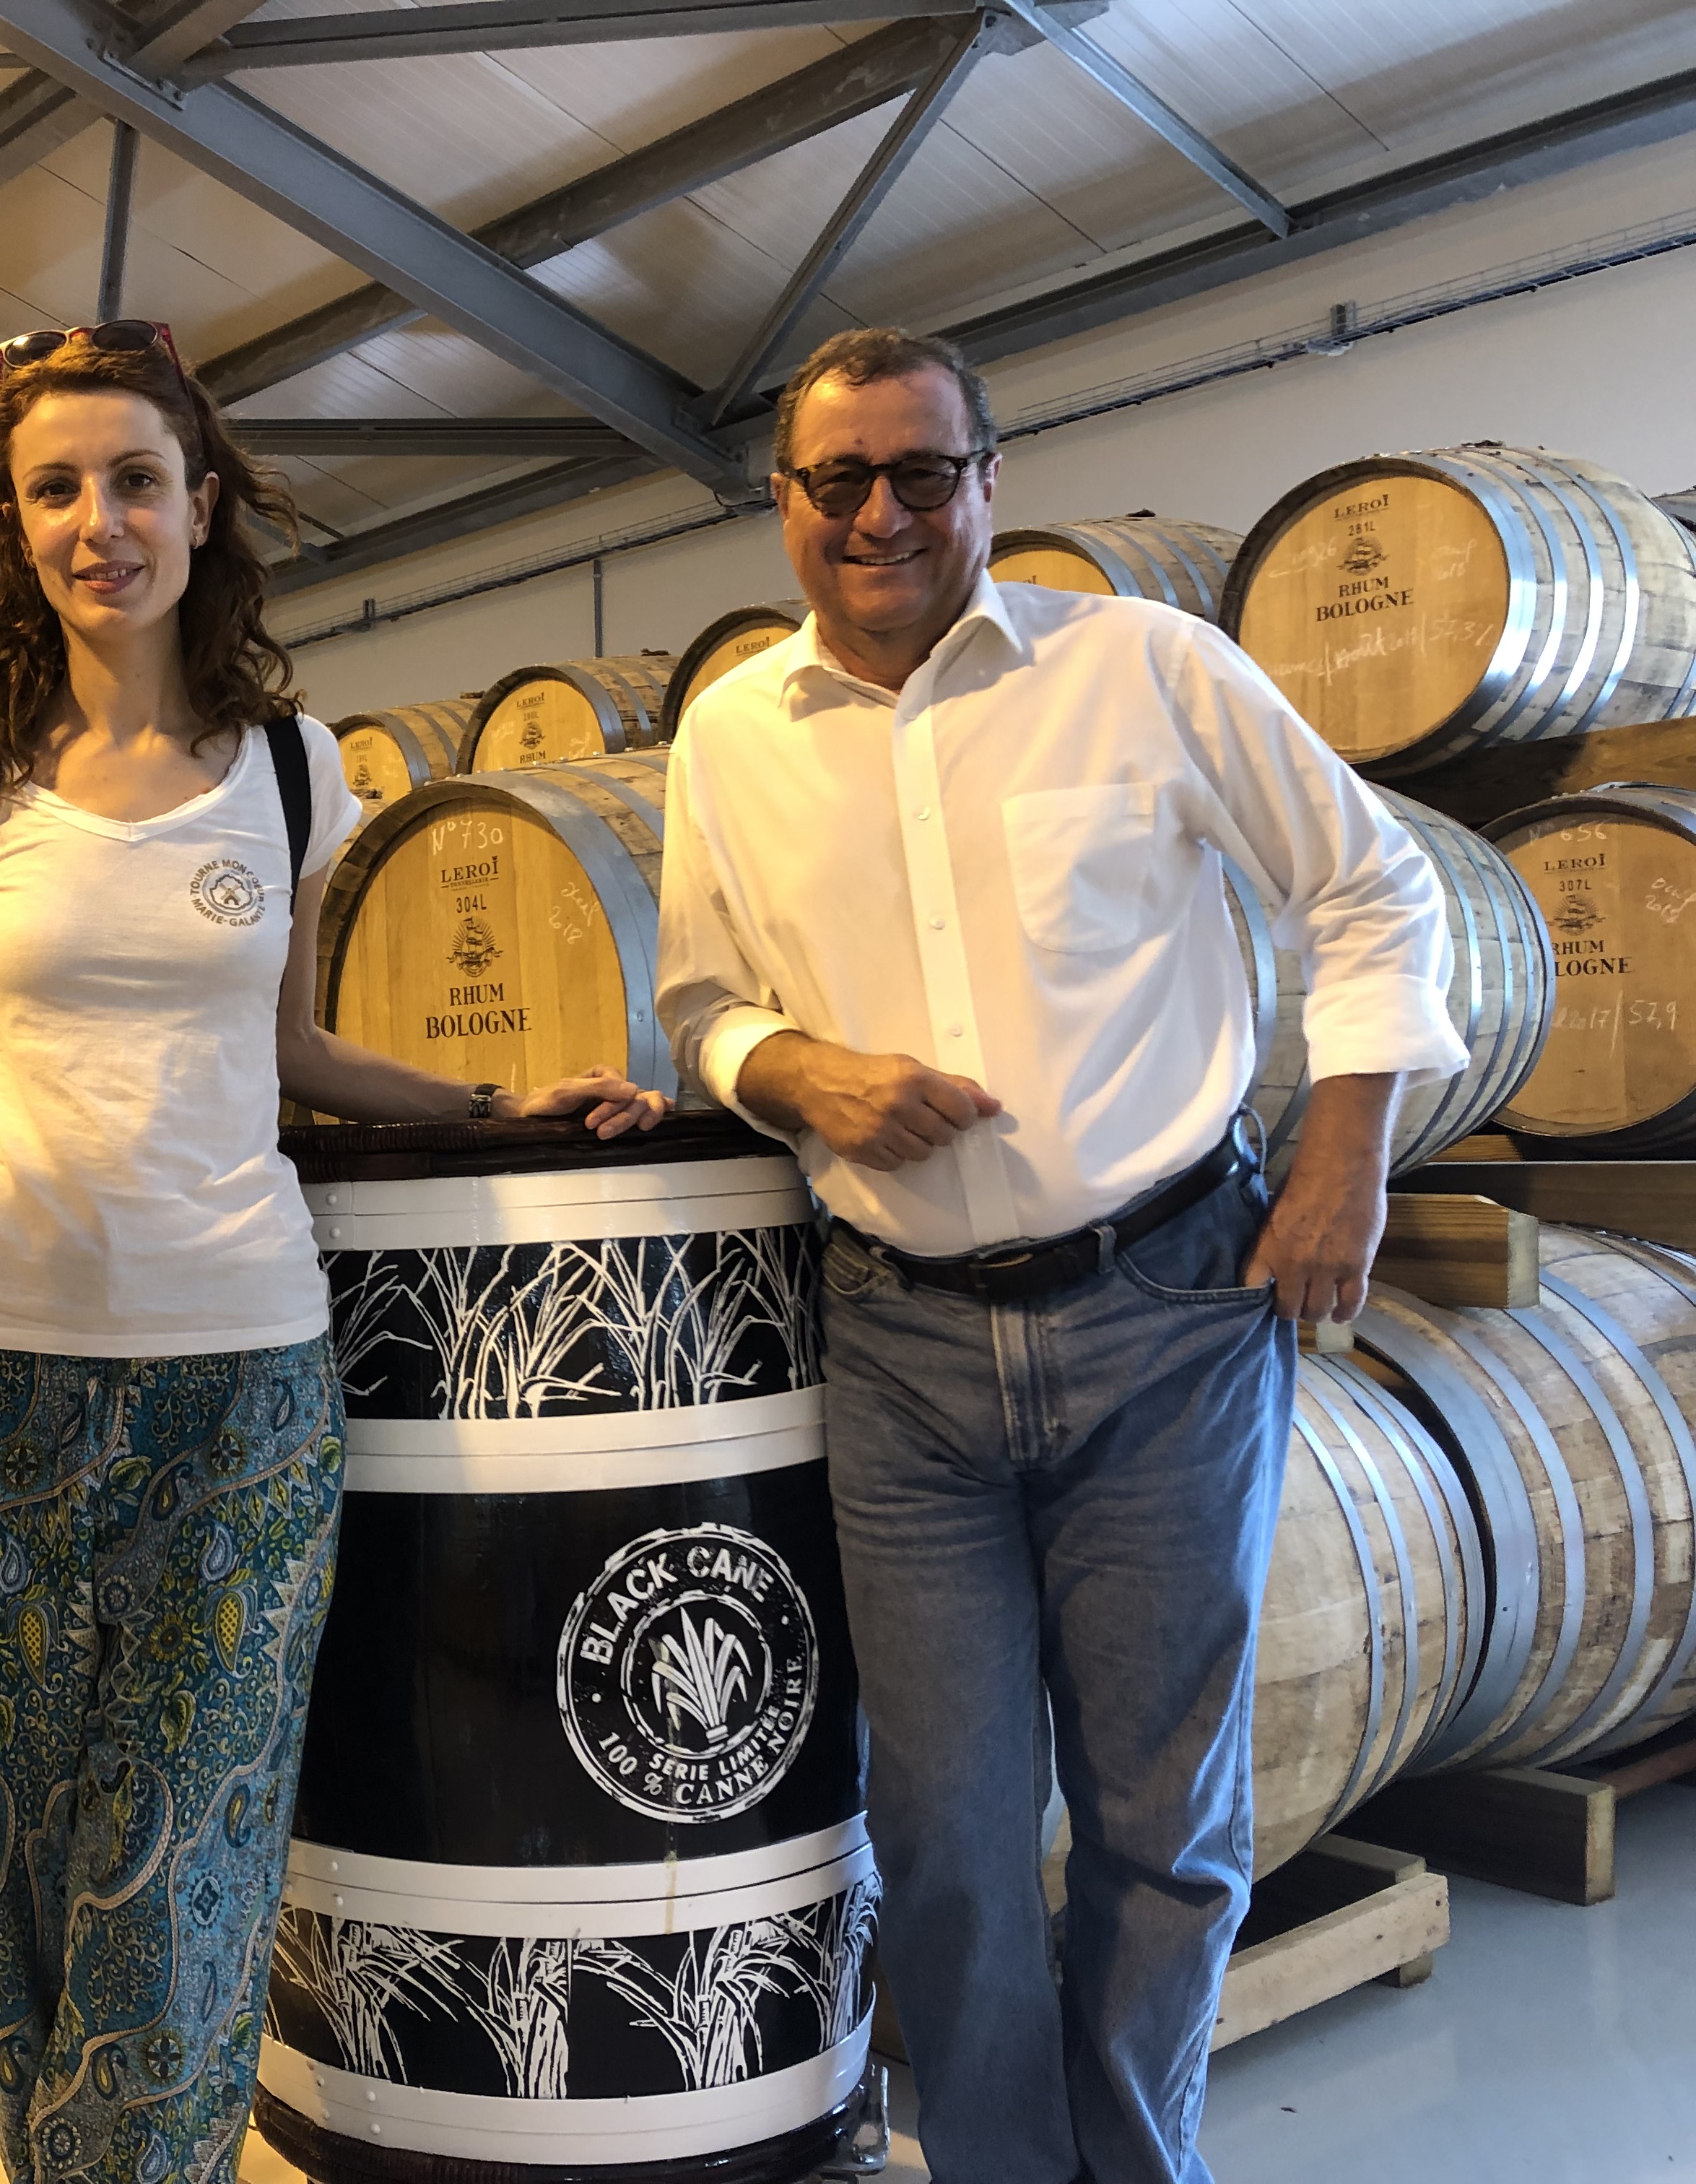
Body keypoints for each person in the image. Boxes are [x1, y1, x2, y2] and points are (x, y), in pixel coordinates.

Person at [0, 320, 665, 2184]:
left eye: (135, 480)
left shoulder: (295, 769)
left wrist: (496, 1103)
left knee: (191, 1859)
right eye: (55, 489)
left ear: (204, 504)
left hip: (240, 1381)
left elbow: (295, 1048)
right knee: (15, 1863)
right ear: (12, 524)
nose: (100, 522)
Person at [653, 327, 1464, 2184]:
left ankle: (1139, 2165)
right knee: (943, 1838)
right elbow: (697, 997)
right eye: (838, 479)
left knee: (1164, 1829)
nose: (879, 513)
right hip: (901, 1347)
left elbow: (1372, 886)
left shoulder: (1143, 668)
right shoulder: (730, 736)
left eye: (920, 473)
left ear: (988, 483)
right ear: (783, 501)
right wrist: (792, 1069)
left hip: (1168, 1310)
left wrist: (1345, 1153)